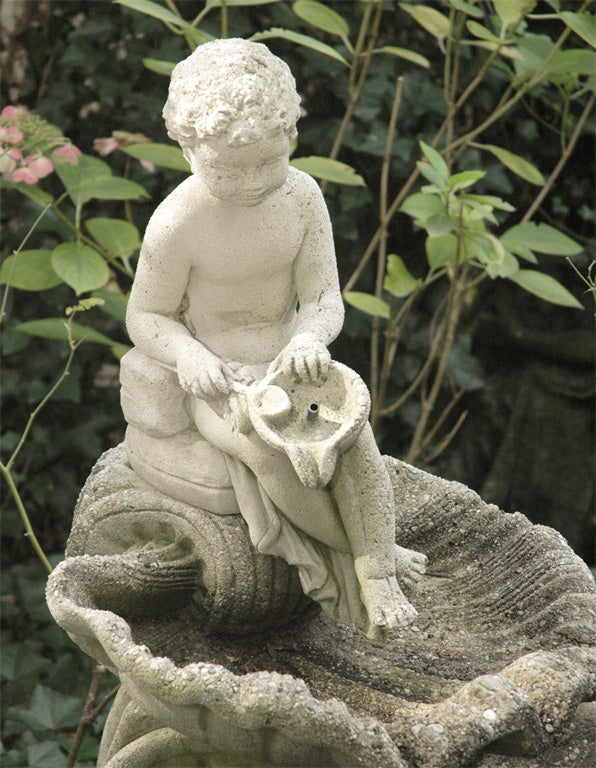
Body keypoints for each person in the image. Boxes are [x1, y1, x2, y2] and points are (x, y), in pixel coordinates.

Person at [121, 38, 425, 638]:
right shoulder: (178, 221)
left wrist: (310, 337)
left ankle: (378, 570)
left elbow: (322, 298)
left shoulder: (302, 198)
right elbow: (146, 316)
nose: (252, 181)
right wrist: (191, 356)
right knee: (270, 452)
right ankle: (360, 556)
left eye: (268, 161)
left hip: (291, 361)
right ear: (188, 150)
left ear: (289, 136)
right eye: (228, 169)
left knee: (351, 436)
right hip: (224, 376)